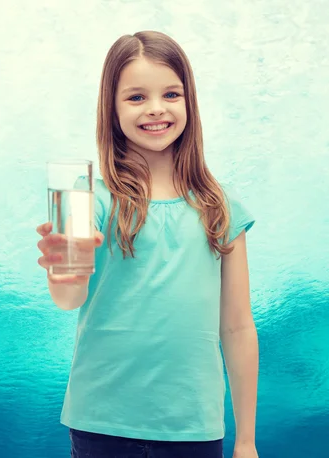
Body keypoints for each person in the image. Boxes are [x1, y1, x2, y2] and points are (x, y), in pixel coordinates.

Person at [36, 31, 259, 458]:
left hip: (193, 427)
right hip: (100, 422)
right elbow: (69, 297)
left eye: (170, 93)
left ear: (188, 102)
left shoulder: (222, 207)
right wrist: (61, 269)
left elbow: (236, 326)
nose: (156, 108)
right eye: (136, 97)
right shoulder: (88, 199)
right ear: (112, 108)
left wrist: (246, 439)